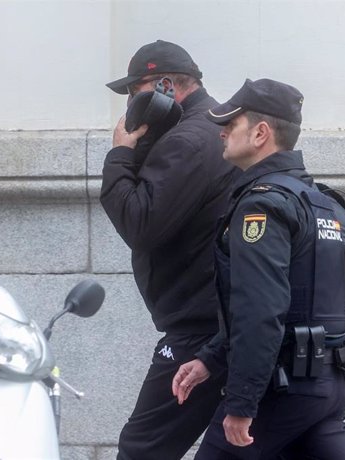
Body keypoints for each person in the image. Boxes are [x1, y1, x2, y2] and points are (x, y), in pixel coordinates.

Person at [170, 78, 345, 459]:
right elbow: (332, 279)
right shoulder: (321, 202)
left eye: (231, 122)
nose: (222, 131)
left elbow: (259, 309)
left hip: (282, 389)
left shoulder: (262, 206)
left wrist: (242, 403)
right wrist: (210, 358)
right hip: (329, 384)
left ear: (261, 133)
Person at [101, 40, 239, 460]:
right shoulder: (213, 127)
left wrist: (121, 151)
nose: (129, 105)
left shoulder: (188, 140)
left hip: (199, 329)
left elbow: (139, 223)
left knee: (142, 447)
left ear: (163, 86)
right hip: (222, 321)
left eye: (134, 92)